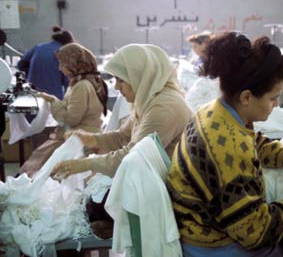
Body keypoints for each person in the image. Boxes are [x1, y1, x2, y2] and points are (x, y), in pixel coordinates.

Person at [167, 32, 283, 256]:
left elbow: (251, 141)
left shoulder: (215, 111)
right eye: (273, 98)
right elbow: (257, 233)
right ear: (246, 97)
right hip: (213, 246)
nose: (276, 104)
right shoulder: (227, 145)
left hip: (199, 228)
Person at [49, 44, 193, 238]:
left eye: (120, 80)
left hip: (169, 189)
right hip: (148, 179)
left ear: (139, 76)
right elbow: (122, 137)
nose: (116, 87)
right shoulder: (149, 100)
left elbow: (133, 157)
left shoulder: (165, 107)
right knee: (92, 198)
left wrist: (85, 164)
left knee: (97, 202)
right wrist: (90, 139)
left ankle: (122, 224)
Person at [20, 43, 108, 176]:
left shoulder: (81, 86)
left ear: (73, 64)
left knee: (38, 165)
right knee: (40, 158)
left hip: (81, 139)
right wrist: (51, 99)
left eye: (62, 64)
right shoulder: (81, 83)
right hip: (82, 134)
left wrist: (53, 102)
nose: (60, 68)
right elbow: (71, 109)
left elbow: (71, 119)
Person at [17, 26, 74, 100]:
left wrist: (33, 71)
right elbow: (68, 81)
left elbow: (21, 65)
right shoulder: (63, 52)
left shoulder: (38, 47)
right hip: (53, 95)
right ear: (68, 42)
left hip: (32, 93)